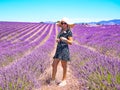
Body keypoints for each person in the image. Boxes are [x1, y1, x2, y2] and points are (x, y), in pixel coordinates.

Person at [50, 17, 74, 87]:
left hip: (64, 50)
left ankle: (64, 80)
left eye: (65, 23)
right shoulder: (61, 31)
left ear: (67, 24)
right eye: (62, 23)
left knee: (64, 66)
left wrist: (65, 40)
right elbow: (59, 39)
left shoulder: (69, 32)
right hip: (58, 49)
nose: (63, 24)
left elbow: (71, 42)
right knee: (54, 65)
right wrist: (58, 40)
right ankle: (53, 80)